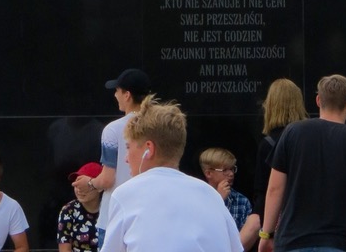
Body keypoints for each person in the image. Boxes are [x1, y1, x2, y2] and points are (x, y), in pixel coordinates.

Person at [260, 73, 346, 252]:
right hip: (338, 243)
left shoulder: (292, 133)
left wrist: (266, 234)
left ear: (318, 100)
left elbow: (274, 189)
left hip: (292, 242)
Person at [101, 97, 241, 252]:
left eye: (128, 147)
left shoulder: (125, 195)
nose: (126, 158)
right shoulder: (211, 195)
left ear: (149, 149)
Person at [72, 68, 151, 249]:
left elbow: (107, 179)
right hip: (147, 217)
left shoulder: (113, 130)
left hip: (114, 218)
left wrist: (90, 183)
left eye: (117, 90)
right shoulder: (160, 129)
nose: (115, 95)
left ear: (127, 95)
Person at [253, 79, 308, 220]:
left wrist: (266, 233)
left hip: (282, 220)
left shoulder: (268, 144)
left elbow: (264, 192)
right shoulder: (311, 138)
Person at [199, 148, 260, 250]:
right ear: (208, 173)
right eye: (225, 170)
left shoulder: (241, 201)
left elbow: (246, 237)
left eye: (232, 169)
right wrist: (218, 199)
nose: (231, 174)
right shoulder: (198, 197)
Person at [57, 162, 103, 251]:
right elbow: (64, 249)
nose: (79, 189)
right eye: (76, 184)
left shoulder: (110, 208)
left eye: (84, 185)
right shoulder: (68, 210)